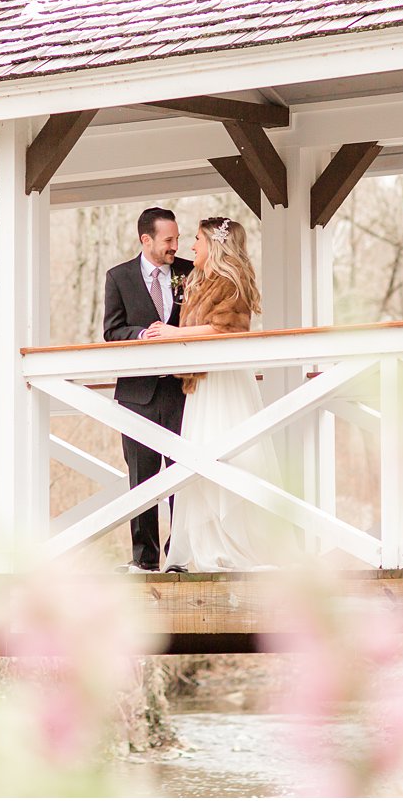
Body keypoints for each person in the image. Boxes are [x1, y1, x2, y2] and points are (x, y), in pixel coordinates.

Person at [146, 217, 296, 572]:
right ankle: (206, 544)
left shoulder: (231, 281)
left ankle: (235, 542)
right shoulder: (200, 279)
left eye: (197, 239)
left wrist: (171, 334)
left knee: (227, 454)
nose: (192, 246)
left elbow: (226, 327)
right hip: (200, 384)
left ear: (214, 244)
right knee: (199, 458)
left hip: (224, 383)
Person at [102, 207, 194, 572]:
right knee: (142, 478)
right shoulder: (118, 277)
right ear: (147, 239)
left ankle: (179, 556)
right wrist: (143, 335)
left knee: (182, 475)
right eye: (168, 240)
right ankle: (144, 559)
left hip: (181, 391)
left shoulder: (189, 272)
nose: (175, 246)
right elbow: (112, 331)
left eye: (177, 239)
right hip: (137, 394)